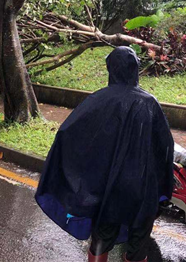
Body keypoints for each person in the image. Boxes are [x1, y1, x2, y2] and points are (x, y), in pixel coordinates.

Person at [35, 46, 174, 262]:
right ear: (135, 69)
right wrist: (162, 187)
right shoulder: (149, 103)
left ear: (111, 69)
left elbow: (68, 133)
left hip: (110, 188)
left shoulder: (98, 100)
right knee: (138, 244)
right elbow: (165, 147)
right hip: (142, 188)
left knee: (102, 238)